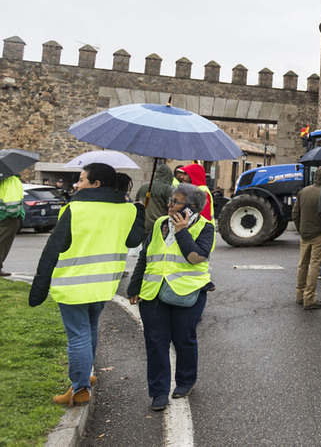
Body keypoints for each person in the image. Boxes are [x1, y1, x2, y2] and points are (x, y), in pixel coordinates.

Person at [29, 162, 144, 406]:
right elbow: (134, 241)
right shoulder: (128, 210)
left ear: (96, 184)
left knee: (78, 336)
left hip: (73, 284)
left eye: (81, 180)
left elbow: (53, 249)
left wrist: (39, 286)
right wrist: (139, 214)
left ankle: (79, 388)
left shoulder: (75, 208)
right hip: (104, 284)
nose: (76, 184)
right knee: (90, 328)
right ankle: (86, 375)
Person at [127, 182, 215, 411]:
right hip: (153, 292)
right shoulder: (158, 223)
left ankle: (186, 380)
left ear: (191, 207)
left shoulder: (205, 227)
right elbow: (146, 256)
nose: (169, 204)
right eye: (171, 200)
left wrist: (182, 231)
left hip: (188, 293)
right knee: (155, 342)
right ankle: (158, 392)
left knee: (184, 339)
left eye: (175, 201)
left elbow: (196, 257)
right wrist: (134, 286)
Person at [292, 166, 321, 310]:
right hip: (319, 235)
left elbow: (295, 213)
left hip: (305, 234)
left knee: (302, 264)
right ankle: (309, 298)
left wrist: (301, 229)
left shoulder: (303, 191)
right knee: (315, 265)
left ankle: (300, 294)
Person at [134, 163, 174, 237]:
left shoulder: (143, 187)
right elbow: (172, 208)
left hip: (144, 226)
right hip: (159, 227)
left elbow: (136, 205)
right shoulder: (168, 189)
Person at [0, 171, 25, 277]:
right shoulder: (12, 180)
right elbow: (12, 206)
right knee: (3, 244)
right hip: (7, 219)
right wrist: (16, 216)